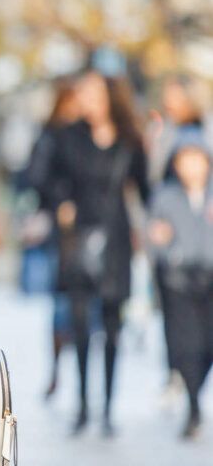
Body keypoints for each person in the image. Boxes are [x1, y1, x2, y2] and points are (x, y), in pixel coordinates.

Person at [47, 69, 149, 435]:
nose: (85, 98)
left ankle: (107, 408)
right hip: (78, 237)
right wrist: (61, 203)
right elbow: (50, 178)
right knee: (79, 323)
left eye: (92, 91)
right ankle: (83, 407)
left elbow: (144, 187)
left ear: (108, 95)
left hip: (116, 239)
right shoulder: (68, 136)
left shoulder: (129, 138)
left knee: (112, 325)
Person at [146, 129, 213, 439]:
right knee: (186, 344)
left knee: (207, 345)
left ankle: (196, 394)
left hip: (209, 280)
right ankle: (193, 405)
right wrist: (163, 244)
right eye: (185, 159)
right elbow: (154, 237)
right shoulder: (165, 195)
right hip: (179, 280)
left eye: (197, 159)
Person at [24, 76, 81, 399]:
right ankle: (58, 367)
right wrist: (59, 201)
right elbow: (36, 176)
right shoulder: (53, 135)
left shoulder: (88, 135)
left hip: (85, 226)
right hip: (62, 229)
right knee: (62, 301)